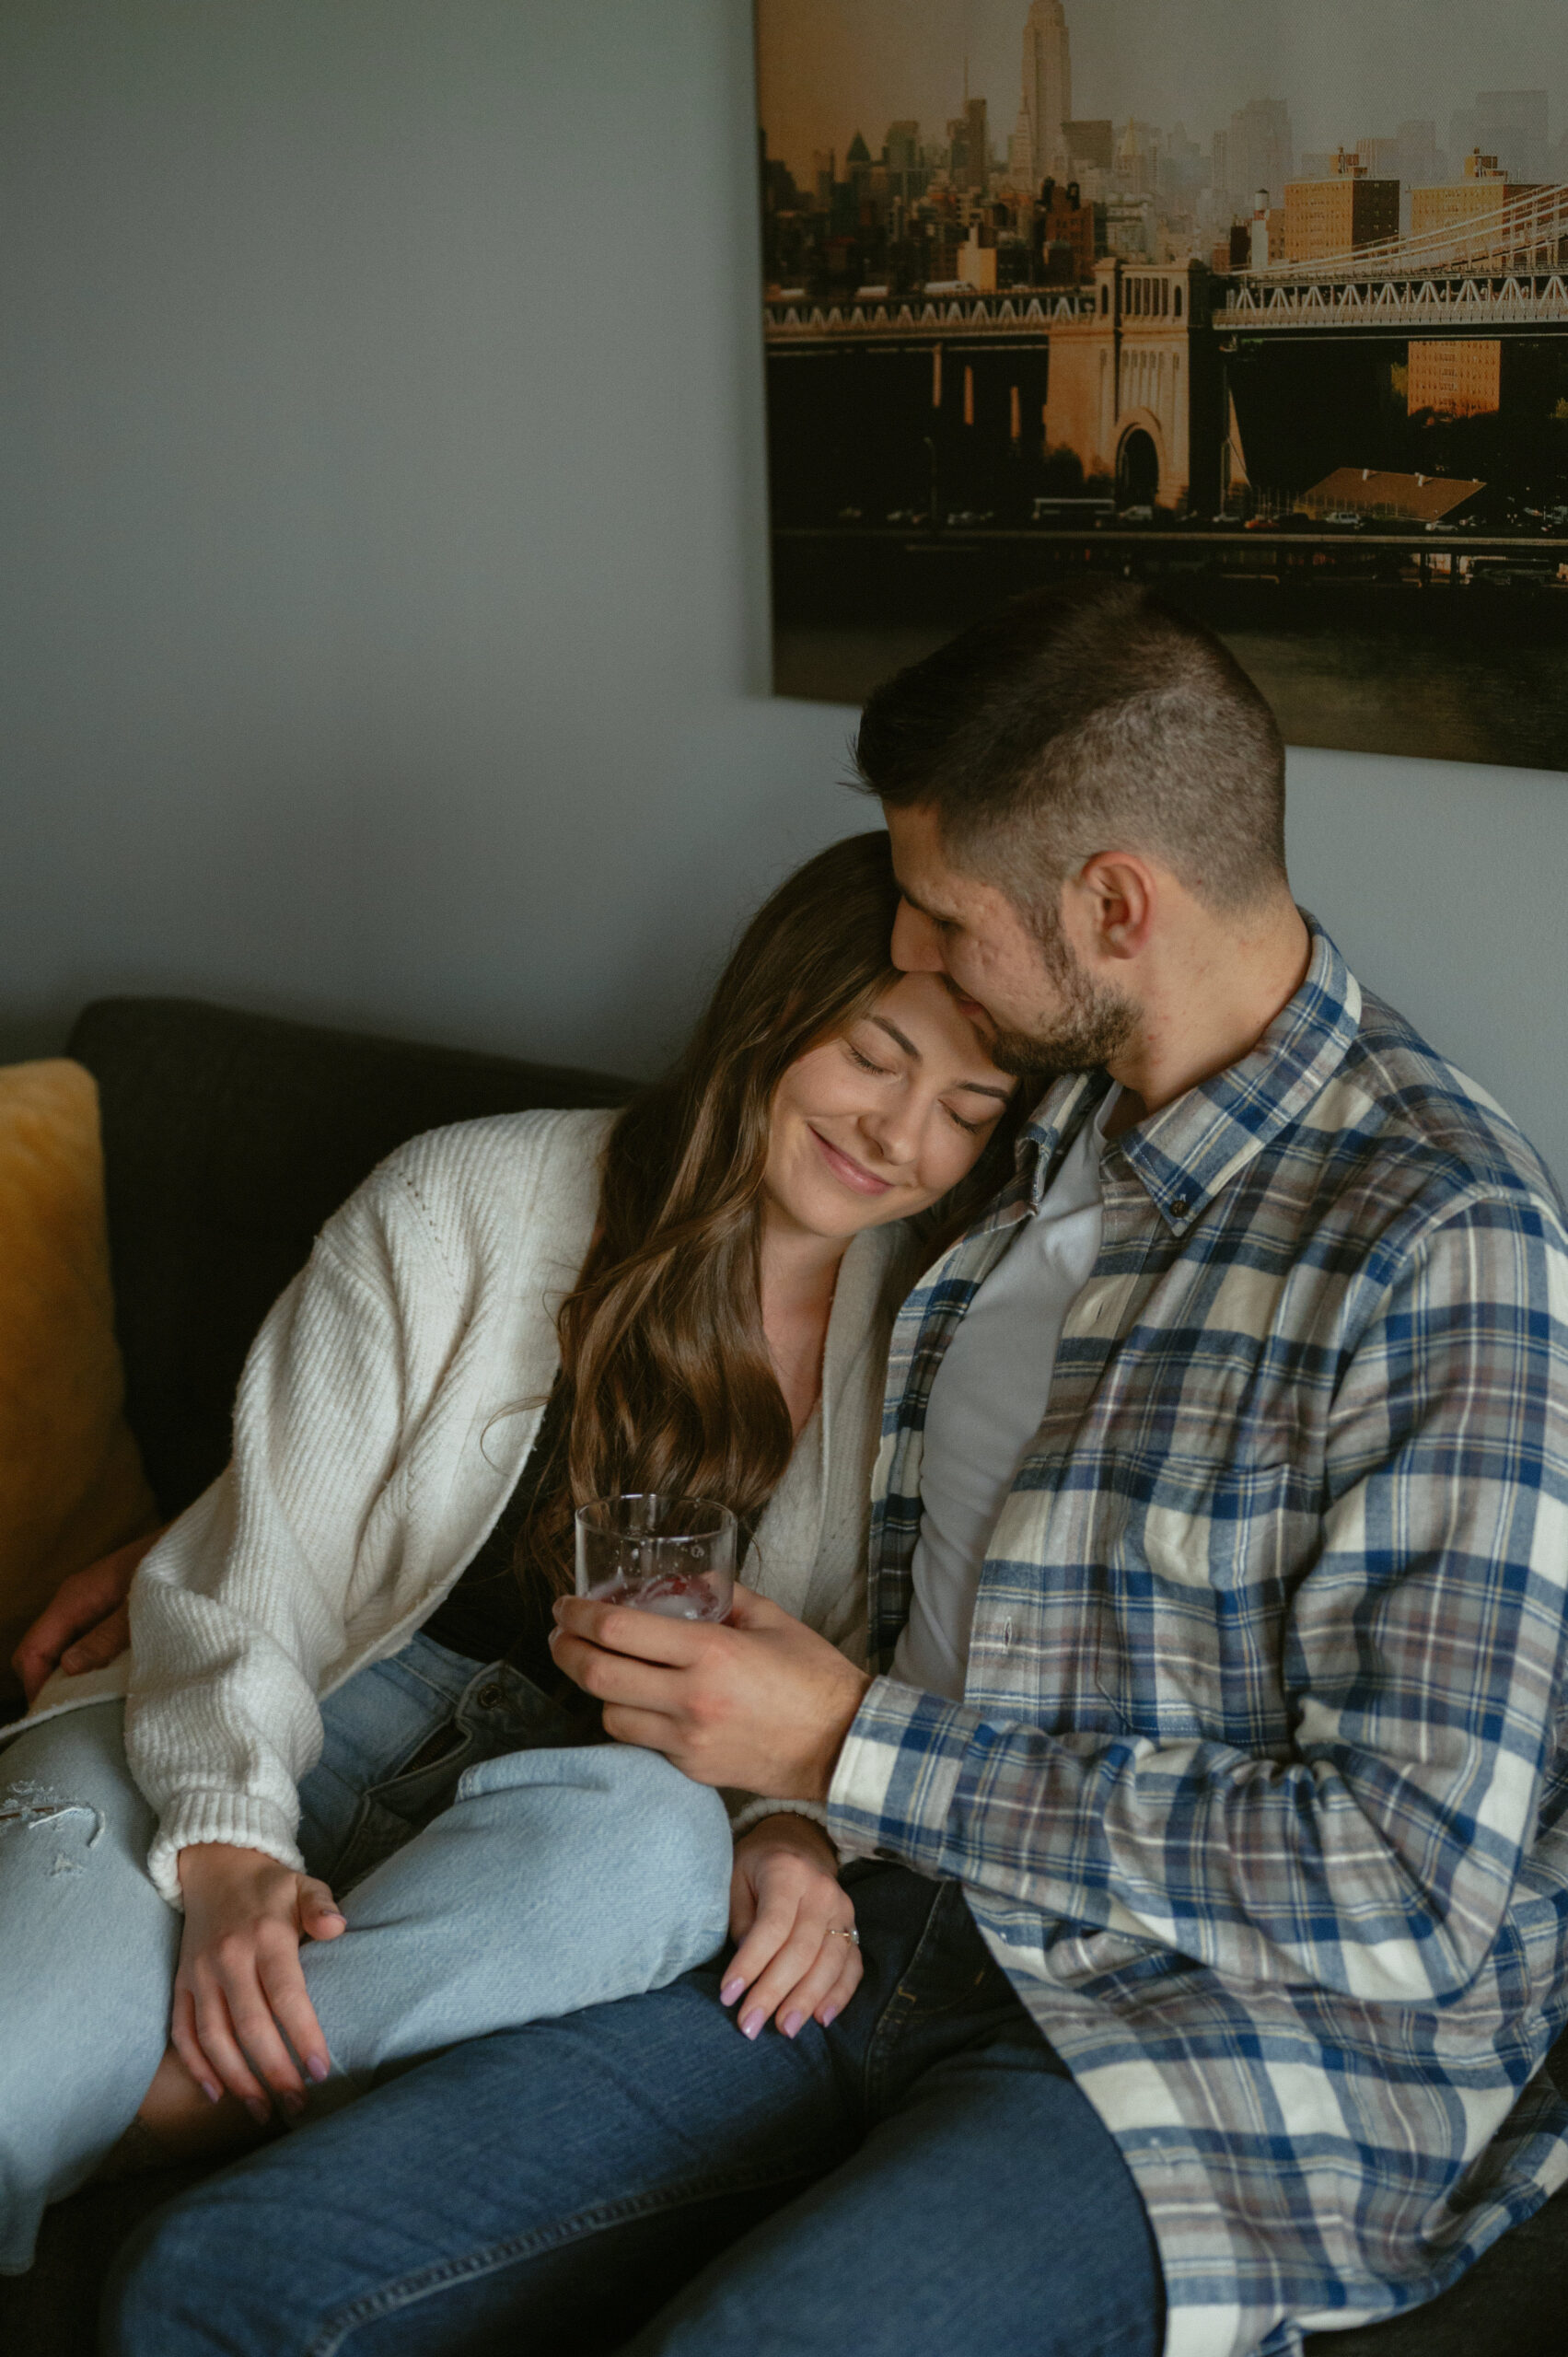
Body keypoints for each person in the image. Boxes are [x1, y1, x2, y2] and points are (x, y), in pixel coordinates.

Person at [110, 581, 1568, 2357]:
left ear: (1116, 907)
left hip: (1208, 2048)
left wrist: (843, 1748)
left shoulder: (1443, 1239)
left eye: (948, 917)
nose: (908, 941)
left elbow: (1408, 1886)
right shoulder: (1024, 1152)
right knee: (215, 2280)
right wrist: (802, 1813)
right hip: (855, 1927)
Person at [0, 829, 1023, 2272]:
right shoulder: (460, 1199)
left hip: (556, 1818)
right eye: (874, 1055)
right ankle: (117, 2112)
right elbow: (257, 1566)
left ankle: (153, 2109)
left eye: (970, 1109)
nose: (902, 1133)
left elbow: (836, 1669)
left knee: (658, 1862)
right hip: (271, 1705)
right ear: (774, 1012)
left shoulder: (921, 1347)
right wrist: (227, 1850)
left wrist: (793, 1836)